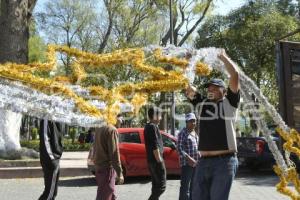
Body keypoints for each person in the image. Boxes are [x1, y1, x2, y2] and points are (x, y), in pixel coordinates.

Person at [185, 50, 240, 200]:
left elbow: (234, 75)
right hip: (202, 162)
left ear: (224, 91)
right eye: (209, 87)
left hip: (224, 162)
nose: (211, 89)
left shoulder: (230, 103)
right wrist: (188, 65)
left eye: (215, 87)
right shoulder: (202, 104)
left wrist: (223, 57)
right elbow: (188, 88)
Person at [93, 117, 124, 200]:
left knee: (110, 194)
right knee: (105, 196)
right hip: (107, 168)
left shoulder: (99, 127)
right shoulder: (112, 130)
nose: (121, 120)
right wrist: (120, 173)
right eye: (120, 117)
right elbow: (114, 154)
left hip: (99, 166)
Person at [144, 107, 166, 200]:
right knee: (161, 187)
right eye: (160, 115)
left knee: (156, 186)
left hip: (152, 161)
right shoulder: (152, 127)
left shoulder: (149, 126)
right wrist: (160, 161)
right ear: (155, 116)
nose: (161, 118)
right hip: (156, 161)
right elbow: (154, 146)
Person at [38, 119, 63, 200]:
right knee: (49, 194)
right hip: (50, 160)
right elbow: (45, 139)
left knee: (52, 192)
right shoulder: (46, 118)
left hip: (54, 158)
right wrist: (52, 158)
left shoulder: (56, 118)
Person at [177, 113, 199, 200]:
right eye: (191, 121)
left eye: (194, 121)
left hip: (196, 164)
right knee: (185, 188)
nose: (193, 123)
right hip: (187, 164)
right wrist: (189, 158)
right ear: (186, 122)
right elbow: (179, 148)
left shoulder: (195, 133)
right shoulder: (182, 133)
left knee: (193, 187)